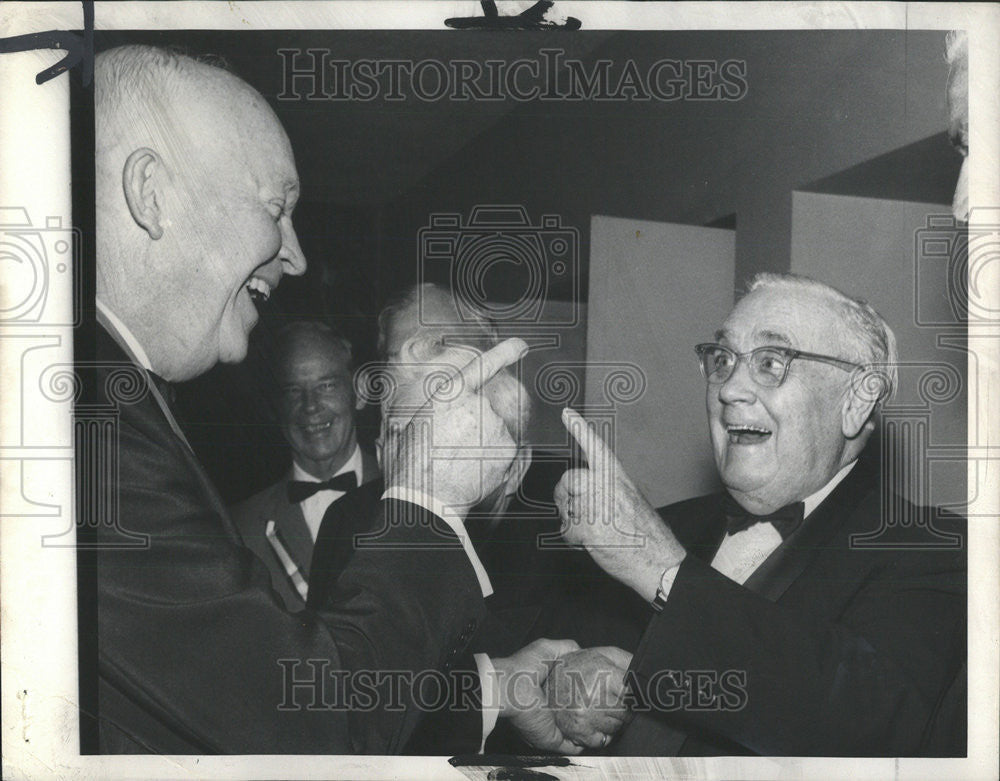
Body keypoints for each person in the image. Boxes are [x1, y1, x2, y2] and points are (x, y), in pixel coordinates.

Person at [88, 44, 575, 755]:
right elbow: (308, 718)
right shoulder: (89, 420)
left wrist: (500, 685)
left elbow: (229, 693)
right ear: (151, 193)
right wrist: (430, 500)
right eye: (276, 208)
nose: (298, 255)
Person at [553, 273, 966, 756]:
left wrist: (662, 569)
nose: (730, 389)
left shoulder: (927, 547)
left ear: (856, 399)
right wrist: (564, 677)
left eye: (771, 362)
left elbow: (869, 727)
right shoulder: (667, 526)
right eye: (722, 359)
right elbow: (552, 666)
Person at [307, 283, 636, 753]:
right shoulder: (352, 517)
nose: (419, 366)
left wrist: (574, 678)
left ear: (493, 361)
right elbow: (335, 697)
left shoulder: (564, 490)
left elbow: (617, 665)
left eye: (440, 346)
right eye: (401, 355)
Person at [232, 322, 379, 608]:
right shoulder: (239, 528)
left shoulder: (411, 500)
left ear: (358, 393)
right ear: (275, 407)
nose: (310, 406)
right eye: (293, 391)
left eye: (326, 385)